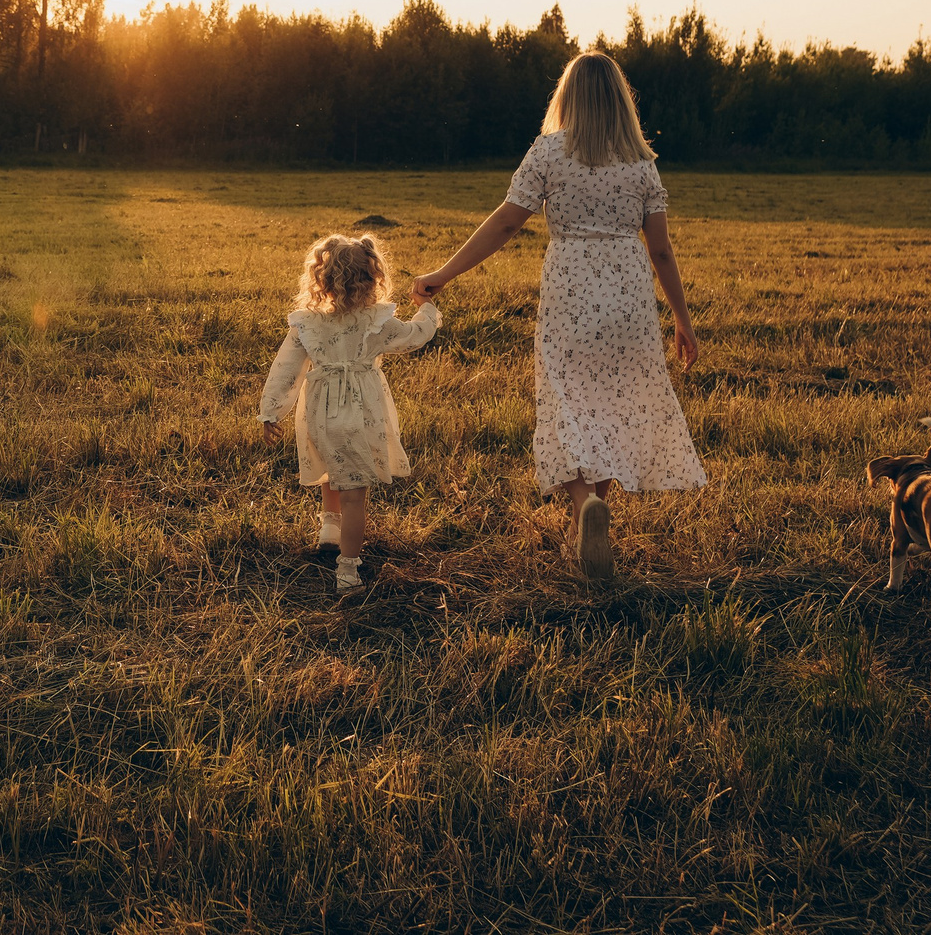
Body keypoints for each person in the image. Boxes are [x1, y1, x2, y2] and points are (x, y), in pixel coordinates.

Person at [412, 52, 705, 578]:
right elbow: (661, 250)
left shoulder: (549, 152)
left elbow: (505, 223)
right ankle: (589, 520)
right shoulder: (642, 162)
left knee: (567, 400)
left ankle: (581, 507)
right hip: (629, 298)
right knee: (615, 404)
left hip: (571, 292)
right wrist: (682, 320)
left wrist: (444, 273)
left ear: (566, 97)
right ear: (620, 99)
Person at [259, 233, 441, 592]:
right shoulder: (377, 320)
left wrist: (271, 412)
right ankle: (347, 571)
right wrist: (427, 307)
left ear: (320, 280)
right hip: (362, 409)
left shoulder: (308, 323)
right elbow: (415, 335)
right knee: (355, 492)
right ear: (373, 277)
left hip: (320, 408)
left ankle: (330, 528)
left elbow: (285, 370)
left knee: (332, 463)